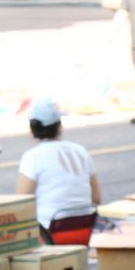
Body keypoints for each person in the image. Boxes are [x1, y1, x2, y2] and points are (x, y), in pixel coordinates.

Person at [17, 96, 99, 245]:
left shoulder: (32, 157)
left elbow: (21, 203)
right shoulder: (80, 151)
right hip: (85, 231)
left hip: (50, 235)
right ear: (58, 125)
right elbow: (96, 198)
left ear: (32, 127)